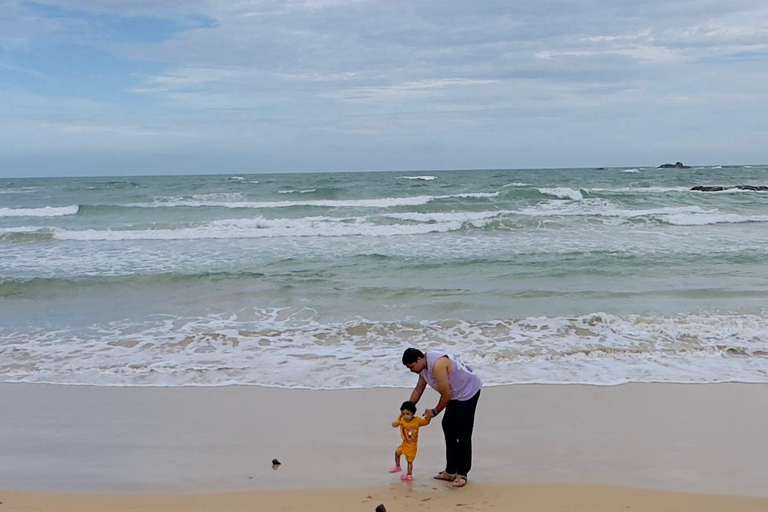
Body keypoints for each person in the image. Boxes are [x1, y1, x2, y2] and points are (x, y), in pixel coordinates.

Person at [402, 347, 481, 488]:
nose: (411, 370)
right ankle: (451, 470)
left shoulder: (437, 366)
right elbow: (418, 389)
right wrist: (407, 410)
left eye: (412, 366)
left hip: (468, 391)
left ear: (419, 359)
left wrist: (434, 411)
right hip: (455, 393)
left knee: (463, 432)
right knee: (448, 426)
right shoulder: (423, 369)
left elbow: (446, 395)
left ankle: (462, 473)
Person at [390, 400, 430, 481]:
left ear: (413, 413)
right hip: (405, 444)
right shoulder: (402, 420)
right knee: (397, 452)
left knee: (409, 461)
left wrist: (428, 416)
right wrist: (399, 417)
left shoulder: (417, 420)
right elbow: (394, 424)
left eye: (407, 414)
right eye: (403, 414)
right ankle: (398, 466)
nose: (405, 416)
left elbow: (426, 422)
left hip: (412, 446)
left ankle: (409, 474)